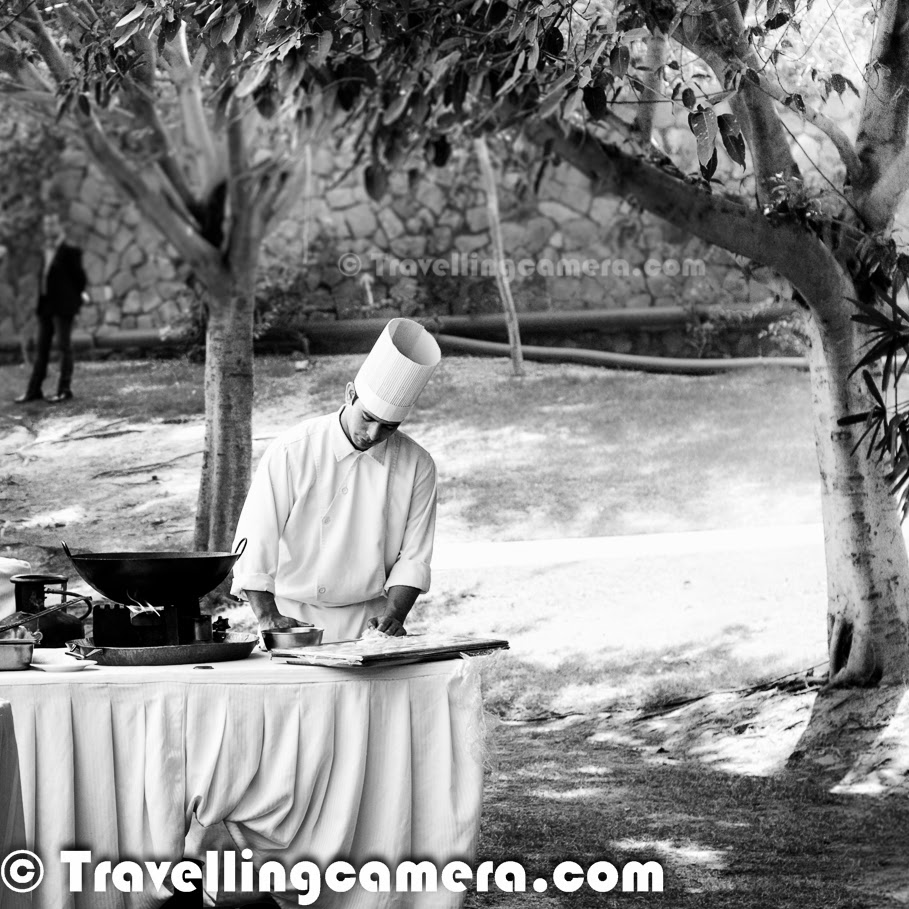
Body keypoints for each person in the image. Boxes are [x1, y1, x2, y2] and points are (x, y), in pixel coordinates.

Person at [230, 317, 442, 643]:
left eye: (389, 427)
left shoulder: (417, 464)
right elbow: (256, 538)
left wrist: (393, 616)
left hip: (370, 622)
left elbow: (414, 556)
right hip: (291, 619)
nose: (373, 434)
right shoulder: (292, 449)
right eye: (368, 418)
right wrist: (267, 615)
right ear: (350, 394)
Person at [14, 213, 88, 404]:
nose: (49, 228)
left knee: (64, 347)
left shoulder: (70, 250)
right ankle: (34, 390)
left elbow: (80, 279)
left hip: (63, 308)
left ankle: (64, 390)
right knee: (42, 349)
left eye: (52, 224)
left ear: (60, 225)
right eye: (46, 224)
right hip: (46, 306)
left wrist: (72, 300)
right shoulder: (45, 249)